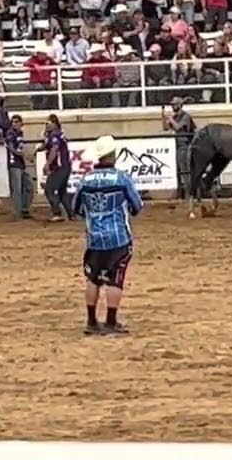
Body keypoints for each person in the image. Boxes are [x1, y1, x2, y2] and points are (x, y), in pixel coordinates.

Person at [72, 135, 143, 336]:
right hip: (118, 237)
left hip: (94, 238)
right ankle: (111, 321)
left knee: (93, 279)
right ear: (113, 155)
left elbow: (76, 208)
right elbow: (137, 206)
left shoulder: (85, 180)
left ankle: (91, 321)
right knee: (115, 279)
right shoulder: (121, 178)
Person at [41, 114, 74, 223]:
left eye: (48, 123)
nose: (46, 125)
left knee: (49, 189)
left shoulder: (54, 135)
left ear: (54, 124)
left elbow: (54, 149)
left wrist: (47, 164)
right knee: (62, 191)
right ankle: (71, 214)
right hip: (65, 167)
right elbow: (47, 146)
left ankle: (57, 213)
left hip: (60, 167)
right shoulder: (57, 134)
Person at [162, 96, 196, 200]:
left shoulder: (185, 116)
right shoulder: (175, 116)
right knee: (177, 170)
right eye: (172, 105)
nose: (173, 107)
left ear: (180, 105)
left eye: (175, 104)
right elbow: (166, 128)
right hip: (176, 145)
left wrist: (170, 119)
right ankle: (180, 192)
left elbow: (178, 127)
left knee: (185, 170)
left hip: (184, 145)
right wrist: (163, 117)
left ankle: (188, 194)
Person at [4, 114, 33, 220]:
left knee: (29, 186)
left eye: (16, 122)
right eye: (13, 122)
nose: (14, 124)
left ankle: (25, 209)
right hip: (14, 164)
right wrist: (24, 155)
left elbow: (20, 148)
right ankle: (17, 213)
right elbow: (11, 148)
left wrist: (25, 155)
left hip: (21, 164)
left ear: (21, 123)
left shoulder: (20, 133)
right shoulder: (10, 133)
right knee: (17, 190)